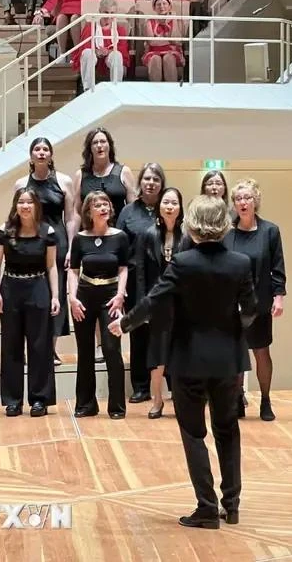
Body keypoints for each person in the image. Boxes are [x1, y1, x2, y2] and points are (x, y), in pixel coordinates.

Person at [109, 195, 257, 529]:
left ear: (193, 225)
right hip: (229, 359)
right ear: (223, 224)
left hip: (189, 359)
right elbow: (250, 310)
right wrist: (233, 327)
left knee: (193, 433)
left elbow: (153, 300)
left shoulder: (183, 262)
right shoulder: (240, 263)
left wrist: (125, 323)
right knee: (228, 430)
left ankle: (207, 507)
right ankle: (231, 506)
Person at [223, 179, 286, 421]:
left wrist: (278, 297)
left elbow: (278, 267)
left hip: (259, 302)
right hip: (232, 304)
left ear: (255, 201)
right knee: (236, 353)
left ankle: (266, 400)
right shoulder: (227, 233)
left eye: (247, 198)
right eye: (238, 199)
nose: (242, 202)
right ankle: (237, 397)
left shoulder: (270, 231)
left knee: (261, 351)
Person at [0, 188, 59, 417]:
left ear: (36, 206)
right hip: (10, 288)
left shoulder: (47, 231)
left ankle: (40, 399)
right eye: (21, 201)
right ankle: (13, 400)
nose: (25, 206)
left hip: (38, 287)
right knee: (11, 346)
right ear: (15, 205)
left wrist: (56, 296)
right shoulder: (5, 230)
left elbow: (51, 266)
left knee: (40, 346)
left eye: (30, 202)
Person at [14, 137, 78, 366]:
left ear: (51, 154)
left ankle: (51, 350)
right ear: (31, 155)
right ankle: (28, 348)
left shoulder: (65, 181)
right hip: (30, 243)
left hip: (57, 241)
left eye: (45, 149)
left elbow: (71, 217)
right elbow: (15, 217)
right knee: (29, 294)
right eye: (37, 149)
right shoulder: (21, 184)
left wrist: (71, 247)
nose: (41, 152)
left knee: (56, 294)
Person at [68, 191, 128, 418]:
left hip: (111, 296)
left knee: (112, 350)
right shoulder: (80, 238)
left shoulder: (120, 237)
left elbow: (123, 268)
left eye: (106, 204)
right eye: (97, 205)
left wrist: (121, 295)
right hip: (84, 295)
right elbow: (73, 271)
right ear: (89, 212)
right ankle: (86, 404)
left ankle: (116, 407)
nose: (103, 208)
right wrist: (71, 298)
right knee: (85, 351)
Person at [116, 163, 166, 404]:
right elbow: (118, 247)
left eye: (156, 179)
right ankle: (141, 386)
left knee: (166, 332)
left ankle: (169, 385)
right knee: (138, 332)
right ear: (140, 182)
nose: (151, 183)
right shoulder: (127, 212)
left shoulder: (168, 207)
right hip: (136, 279)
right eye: (147, 178)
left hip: (165, 279)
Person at [134, 186, 184, 418]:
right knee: (157, 357)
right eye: (166, 202)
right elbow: (141, 272)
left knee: (182, 354)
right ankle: (156, 401)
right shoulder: (147, 234)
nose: (170, 206)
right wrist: (144, 305)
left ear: (180, 207)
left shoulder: (188, 236)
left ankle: (183, 401)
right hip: (157, 305)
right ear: (159, 206)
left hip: (183, 306)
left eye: (174, 202)